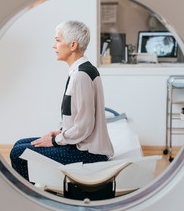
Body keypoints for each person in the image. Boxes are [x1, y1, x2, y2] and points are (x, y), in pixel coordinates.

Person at [10, 20, 114, 181]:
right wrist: (61, 132)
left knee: (18, 153)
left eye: (58, 40)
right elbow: (81, 120)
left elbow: (85, 126)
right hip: (82, 145)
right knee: (20, 144)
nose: (53, 45)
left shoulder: (81, 75)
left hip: (89, 153)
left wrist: (55, 140)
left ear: (73, 45)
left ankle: (32, 198)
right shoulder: (80, 70)